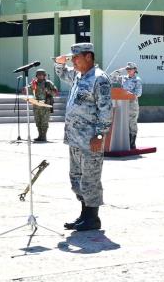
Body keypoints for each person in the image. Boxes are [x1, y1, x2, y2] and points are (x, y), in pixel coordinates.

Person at [54, 43, 113, 231]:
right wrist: (59, 63)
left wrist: (99, 134)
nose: (74, 62)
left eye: (76, 58)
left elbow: (106, 111)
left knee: (90, 179)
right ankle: (84, 215)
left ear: (89, 57)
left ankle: (92, 219)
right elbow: (62, 74)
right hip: (74, 138)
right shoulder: (78, 75)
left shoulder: (100, 79)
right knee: (76, 178)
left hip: (90, 140)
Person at [111, 62, 143, 149]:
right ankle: (124, 142)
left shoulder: (137, 79)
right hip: (122, 104)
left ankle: (132, 143)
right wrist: (121, 70)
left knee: (132, 123)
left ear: (135, 70)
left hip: (132, 105)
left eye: (130, 69)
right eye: (127, 69)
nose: (128, 70)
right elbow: (111, 77)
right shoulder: (123, 78)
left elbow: (139, 93)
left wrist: (129, 95)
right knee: (123, 123)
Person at [28, 68, 58, 142]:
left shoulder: (48, 83)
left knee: (44, 121)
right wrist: (27, 88)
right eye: (39, 75)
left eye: (42, 75)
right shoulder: (34, 83)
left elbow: (55, 93)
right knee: (38, 121)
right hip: (36, 105)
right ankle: (39, 136)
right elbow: (28, 89)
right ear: (36, 75)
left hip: (45, 105)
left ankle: (43, 136)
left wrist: (48, 91)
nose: (40, 76)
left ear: (44, 75)